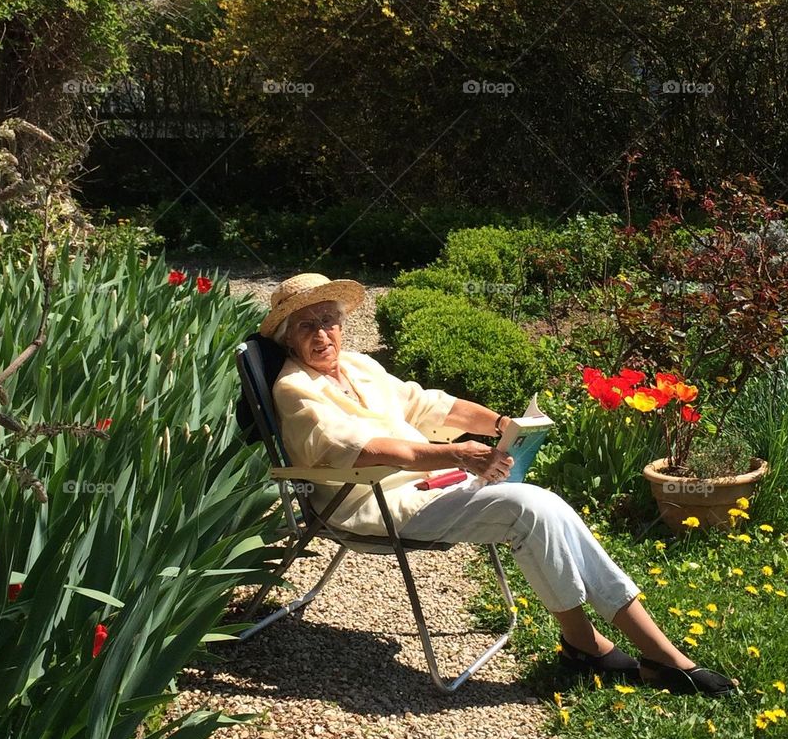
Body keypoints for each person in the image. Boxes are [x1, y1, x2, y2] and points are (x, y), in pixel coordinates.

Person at [264, 272, 739, 697]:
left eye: (329, 320)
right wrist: (454, 453)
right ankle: (637, 652)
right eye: (307, 326)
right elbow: (363, 450)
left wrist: (499, 424)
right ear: (288, 338)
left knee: (542, 505)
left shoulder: (359, 367)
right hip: (377, 501)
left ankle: (596, 645)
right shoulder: (295, 389)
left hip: (432, 485)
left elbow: (430, 404)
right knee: (529, 508)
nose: (323, 334)